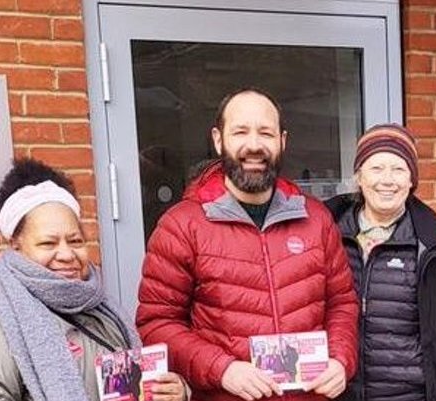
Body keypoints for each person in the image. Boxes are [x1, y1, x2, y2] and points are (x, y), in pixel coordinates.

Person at [137, 87, 360, 401]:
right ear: (218, 139)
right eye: (240, 131)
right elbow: (157, 323)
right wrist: (222, 369)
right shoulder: (182, 226)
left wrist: (340, 359)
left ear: (282, 141)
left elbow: (342, 304)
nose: (254, 145)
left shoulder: (316, 219)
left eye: (266, 133)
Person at [0, 158, 189, 401]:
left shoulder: (102, 312)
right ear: (15, 247)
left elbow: (130, 390)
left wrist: (174, 391)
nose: (66, 254)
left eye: (75, 241)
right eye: (48, 243)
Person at [323, 124, 436, 401]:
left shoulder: (434, 248)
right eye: (376, 168)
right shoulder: (326, 235)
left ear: (411, 181)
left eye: (398, 169)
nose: (387, 180)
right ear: (359, 176)